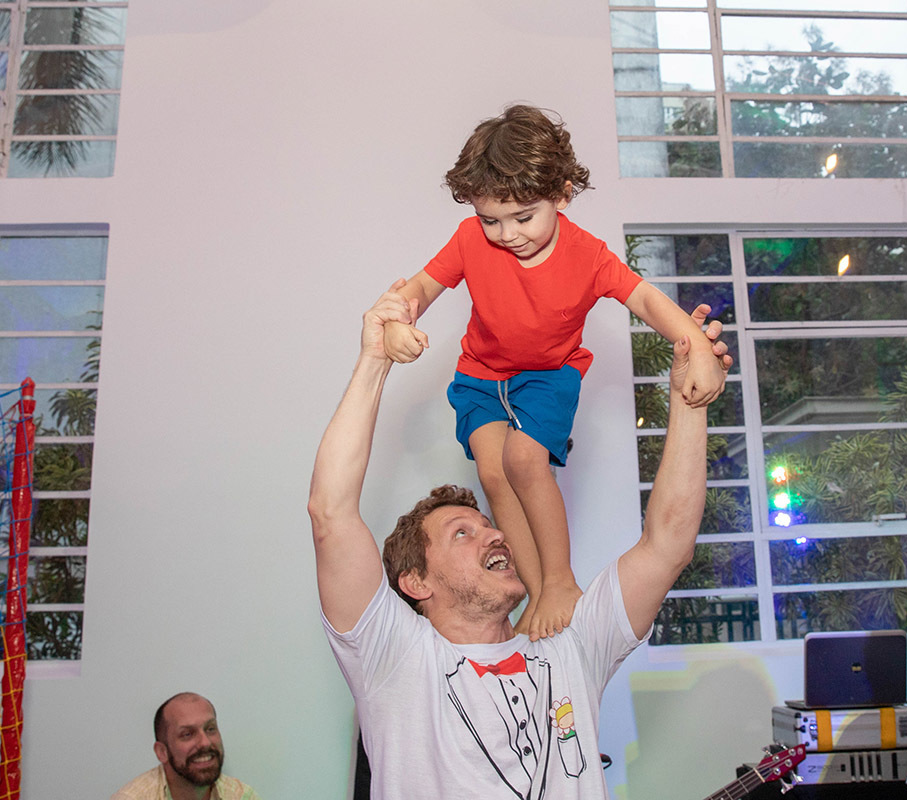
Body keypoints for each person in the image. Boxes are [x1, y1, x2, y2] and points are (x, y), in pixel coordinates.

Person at [308, 285, 730, 798]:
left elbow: (668, 545)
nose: (496, 534)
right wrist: (375, 360)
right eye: (462, 533)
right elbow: (330, 513)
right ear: (415, 581)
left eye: (488, 525)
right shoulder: (393, 659)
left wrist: (689, 400)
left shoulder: (572, 647)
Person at [382, 105, 726, 641]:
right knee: (493, 472)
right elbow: (422, 286)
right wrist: (397, 320)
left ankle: (561, 581)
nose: (507, 234)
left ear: (562, 195)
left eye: (523, 218)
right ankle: (537, 590)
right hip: (480, 375)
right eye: (491, 220)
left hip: (547, 375)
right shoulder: (470, 240)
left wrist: (698, 347)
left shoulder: (588, 256)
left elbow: (645, 299)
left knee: (523, 460)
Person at [112, 692, 261, 800]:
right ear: (162, 752)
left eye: (210, 729)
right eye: (187, 734)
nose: (205, 742)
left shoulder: (240, 796)